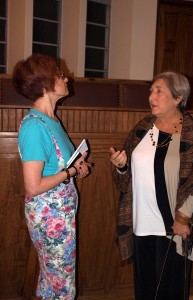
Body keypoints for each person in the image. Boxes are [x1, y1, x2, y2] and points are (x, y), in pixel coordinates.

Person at [110, 71, 193, 300]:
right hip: (141, 223)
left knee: (171, 291)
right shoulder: (143, 127)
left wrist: (182, 217)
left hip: (174, 226)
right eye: (151, 90)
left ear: (178, 97)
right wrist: (121, 165)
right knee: (145, 289)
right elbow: (126, 172)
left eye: (159, 91)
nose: (152, 95)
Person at [13, 53, 92, 299]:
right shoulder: (35, 126)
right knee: (61, 284)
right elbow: (33, 186)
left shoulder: (52, 119)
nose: (66, 78)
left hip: (59, 215)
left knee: (54, 279)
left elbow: (56, 165)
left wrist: (76, 165)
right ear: (46, 84)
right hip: (49, 219)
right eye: (60, 74)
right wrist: (69, 172)